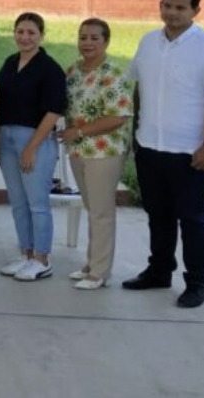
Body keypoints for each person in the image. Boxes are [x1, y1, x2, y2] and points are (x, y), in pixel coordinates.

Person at [123, 0, 204, 309]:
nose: (172, 13)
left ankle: (198, 282)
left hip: (189, 153)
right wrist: (136, 135)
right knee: (158, 215)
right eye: (167, 5)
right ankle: (159, 271)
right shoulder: (148, 43)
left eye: (180, 8)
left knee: (193, 219)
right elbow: (139, 88)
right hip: (150, 147)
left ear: (195, 12)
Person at [58, 18, 134, 290]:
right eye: (83, 37)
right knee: (92, 208)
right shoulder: (74, 71)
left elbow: (119, 117)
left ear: (106, 41)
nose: (87, 43)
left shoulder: (113, 73)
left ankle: (99, 273)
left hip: (105, 151)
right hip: (78, 150)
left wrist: (78, 133)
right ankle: (91, 263)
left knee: (101, 212)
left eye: (94, 38)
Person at [0, 12, 67, 282]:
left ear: (41, 36)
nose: (24, 37)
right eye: (20, 31)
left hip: (35, 140)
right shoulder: (10, 62)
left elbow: (53, 111)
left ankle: (42, 258)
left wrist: (31, 148)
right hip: (8, 138)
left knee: (37, 203)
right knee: (18, 202)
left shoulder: (49, 68)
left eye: (31, 33)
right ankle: (26, 255)